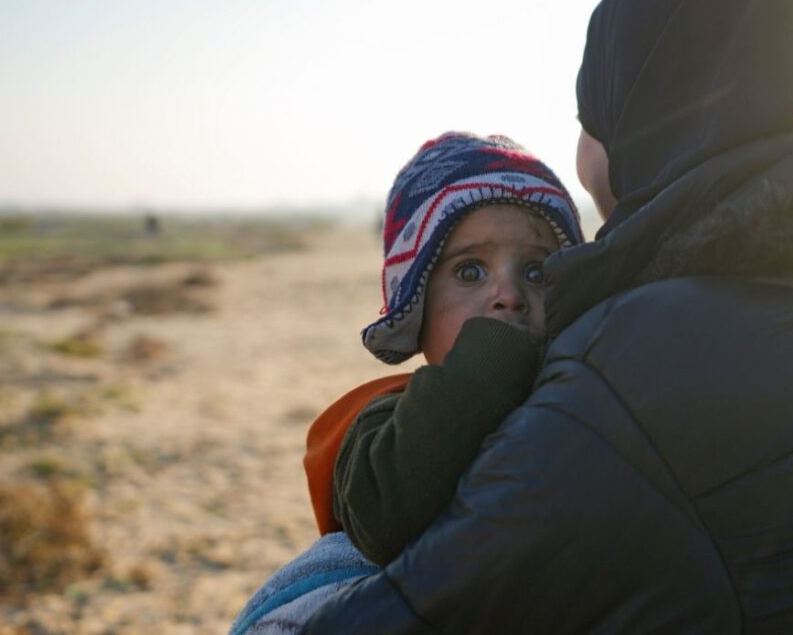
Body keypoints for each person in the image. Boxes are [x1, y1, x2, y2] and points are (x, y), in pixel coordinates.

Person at [296, 0, 793, 633]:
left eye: (590, 117)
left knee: (313, 579)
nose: (583, 154)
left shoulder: (651, 355)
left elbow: (399, 611)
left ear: (655, 101)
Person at [230, 132, 584, 633]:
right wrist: (487, 364)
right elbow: (385, 521)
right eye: (470, 272)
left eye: (537, 270)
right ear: (415, 308)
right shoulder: (383, 420)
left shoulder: (585, 393)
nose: (508, 294)